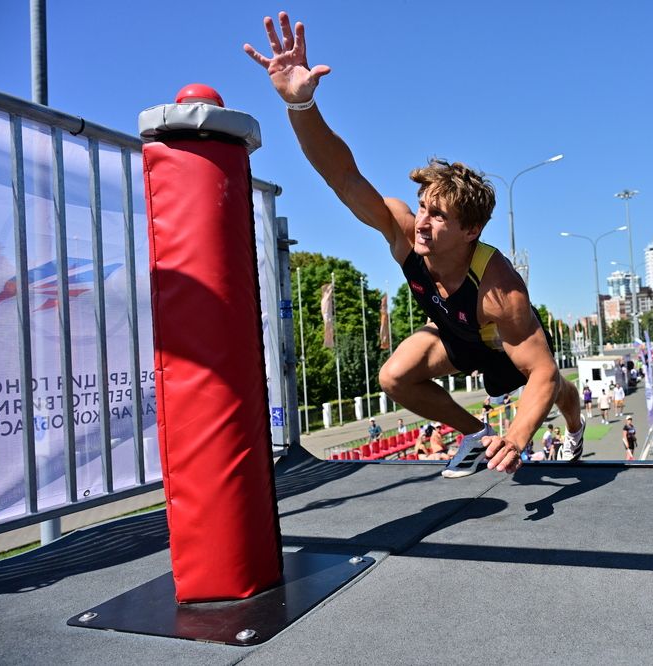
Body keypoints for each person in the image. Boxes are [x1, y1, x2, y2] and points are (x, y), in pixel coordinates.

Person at [245, 13, 584, 478]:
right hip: (454, 336)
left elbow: (540, 371)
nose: (421, 223)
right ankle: (478, 436)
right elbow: (344, 177)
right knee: (393, 376)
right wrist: (301, 107)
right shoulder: (406, 235)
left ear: (470, 231)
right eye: (423, 207)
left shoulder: (499, 286)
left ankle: (576, 421)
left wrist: (520, 435)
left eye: (438, 215)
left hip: (498, 342)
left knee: (554, 384)